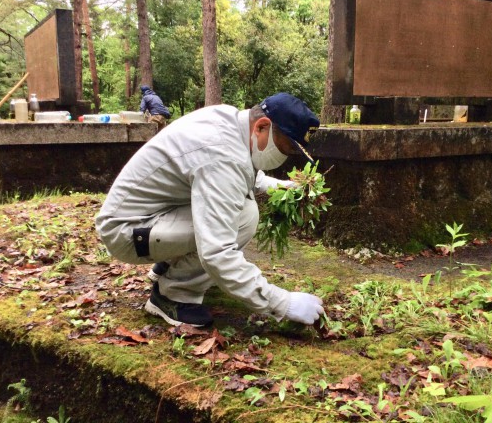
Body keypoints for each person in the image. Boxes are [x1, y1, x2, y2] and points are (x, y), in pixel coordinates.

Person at [96, 93, 324, 327]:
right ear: (262, 126)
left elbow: (238, 172)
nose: (285, 157)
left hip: (148, 218)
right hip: (126, 232)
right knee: (243, 217)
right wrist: (283, 302)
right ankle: (173, 295)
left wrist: (283, 186)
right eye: (285, 149)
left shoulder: (228, 121)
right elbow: (218, 252)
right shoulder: (222, 156)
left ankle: (170, 266)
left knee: (241, 209)